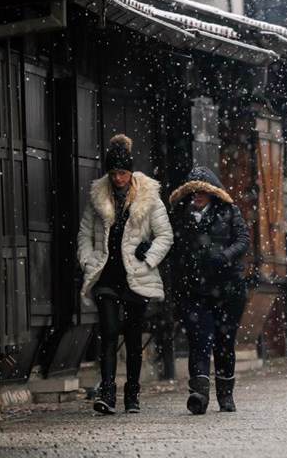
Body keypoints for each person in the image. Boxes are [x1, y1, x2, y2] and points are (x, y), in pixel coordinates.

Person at [77, 134, 173, 415]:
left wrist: (149, 257)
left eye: (122, 172)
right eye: (113, 173)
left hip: (136, 275)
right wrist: (88, 260)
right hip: (106, 273)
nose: (118, 178)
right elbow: (84, 235)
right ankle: (107, 392)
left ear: (131, 172)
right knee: (107, 332)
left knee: (133, 337)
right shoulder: (98, 197)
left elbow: (165, 235)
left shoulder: (148, 197)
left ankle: (132, 393)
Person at [170, 166, 250, 414]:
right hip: (196, 289)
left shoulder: (229, 211)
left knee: (225, 343)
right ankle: (199, 394)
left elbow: (243, 240)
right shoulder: (181, 216)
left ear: (212, 193)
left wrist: (223, 256)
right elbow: (172, 244)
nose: (196, 195)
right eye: (192, 191)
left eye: (202, 191)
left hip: (228, 288)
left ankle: (225, 395)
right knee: (199, 340)